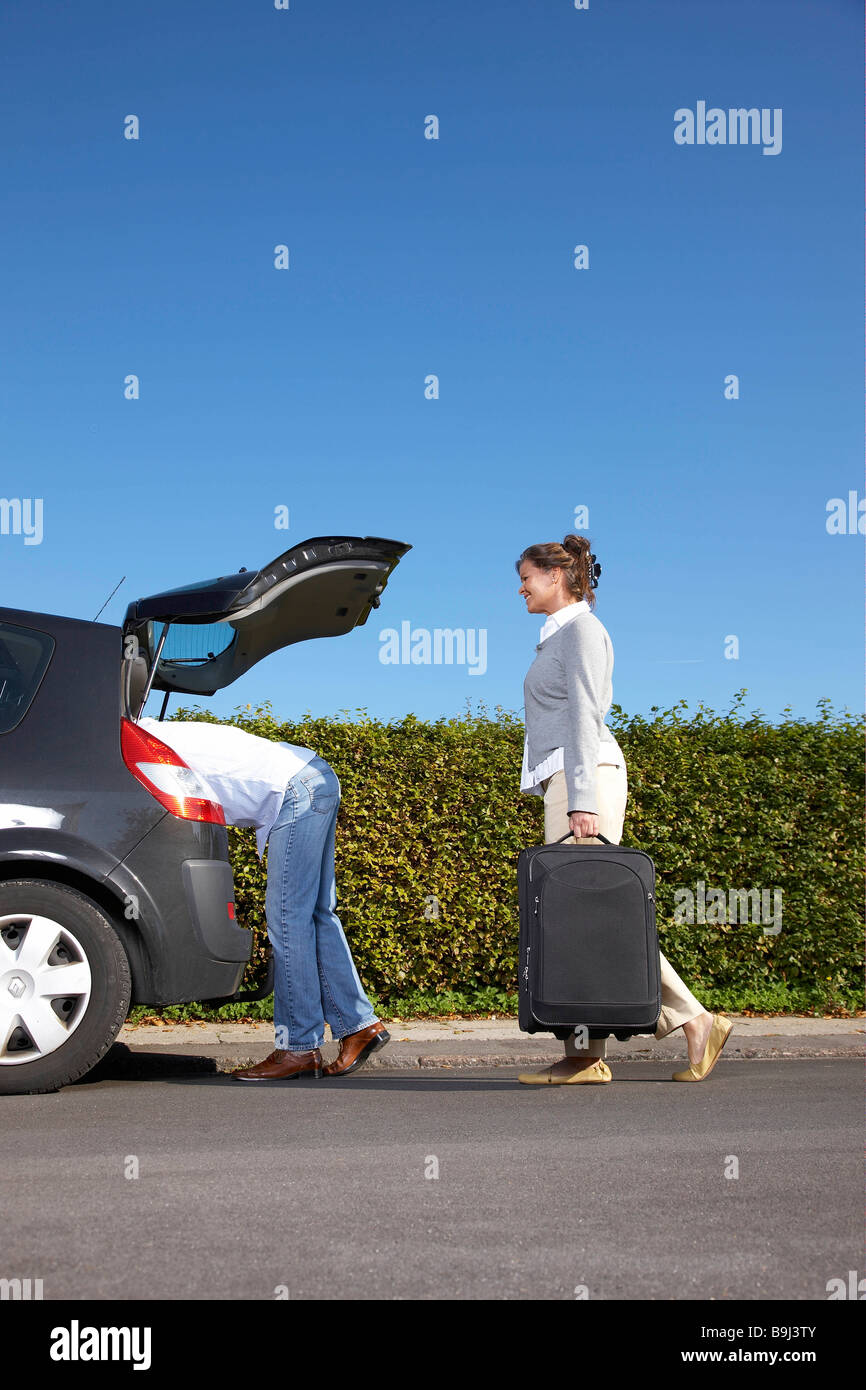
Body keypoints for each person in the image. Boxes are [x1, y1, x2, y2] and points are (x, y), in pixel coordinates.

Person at [513, 536, 733, 1085]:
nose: (520, 587)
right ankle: (586, 1055)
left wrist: (583, 798)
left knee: (595, 916)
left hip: (584, 779)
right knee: (579, 918)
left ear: (557, 577)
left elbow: (588, 715)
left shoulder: (582, 631)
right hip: (567, 780)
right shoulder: (558, 636)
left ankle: (692, 1020)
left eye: (527, 578)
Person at [138, 717, 389, 1080]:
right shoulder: (158, 733)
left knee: (288, 918)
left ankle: (298, 1047)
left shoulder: (141, 744)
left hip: (296, 789)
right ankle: (359, 1026)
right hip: (314, 776)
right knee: (316, 914)